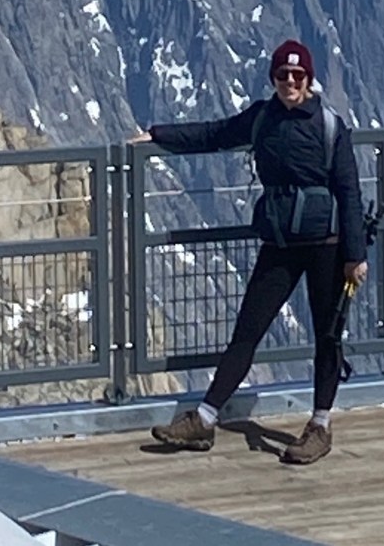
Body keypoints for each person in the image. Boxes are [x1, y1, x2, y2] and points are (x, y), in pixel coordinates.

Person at [136, 39, 368, 464]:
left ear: (309, 79)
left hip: (328, 247)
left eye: (297, 75)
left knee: (328, 336)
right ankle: (204, 419)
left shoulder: (330, 126)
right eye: (283, 75)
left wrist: (355, 256)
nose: (290, 82)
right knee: (248, 331)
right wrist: (158, 135)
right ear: (273, 78)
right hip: (281, 244)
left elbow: (349, 191)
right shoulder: (263, 118)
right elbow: (215, 134)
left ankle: (320, 426)